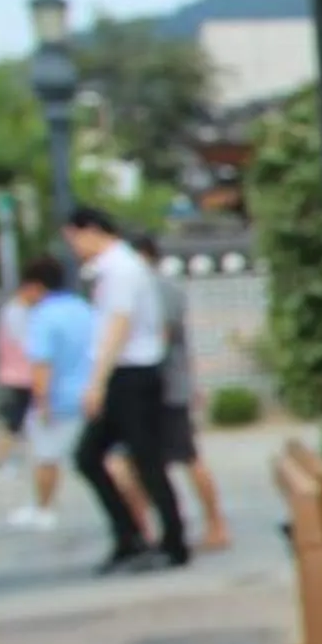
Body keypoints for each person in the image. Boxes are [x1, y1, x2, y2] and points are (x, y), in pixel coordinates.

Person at [64, 206, 187, 574]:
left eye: (73, 238)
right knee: (93, 456)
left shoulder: (119, 269)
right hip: (129, 373)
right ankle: (131, 535)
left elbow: (118, 324)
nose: (73, 248)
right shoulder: (117, 267)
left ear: (89, 231)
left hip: (130, 374)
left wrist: (96, 383)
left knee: (143, 461)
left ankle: (169, 540)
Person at [106, 233, 231, 552]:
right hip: (163, 388)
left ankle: (213, 525)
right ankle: (150, 528)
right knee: (144, 462)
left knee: (183, 458)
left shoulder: (157, 290)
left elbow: (157, 342)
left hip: (165, 390)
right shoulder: (150, 288)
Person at [7, 256, 94, 533]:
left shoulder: (43, 316)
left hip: (59, 399)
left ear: (35, 287)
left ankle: (44, 509)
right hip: (90, 393)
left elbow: (42, 362)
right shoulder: (83, 308)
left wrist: (41, 401)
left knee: (46, 456)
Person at [0, 282, 36, 472]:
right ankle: (2, 460)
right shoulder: (15, 311)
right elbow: (26, 343)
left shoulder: (20, 310)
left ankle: (14, 459)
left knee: (20, 420)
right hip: (17, 377)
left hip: (23, 375)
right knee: (12, 422)